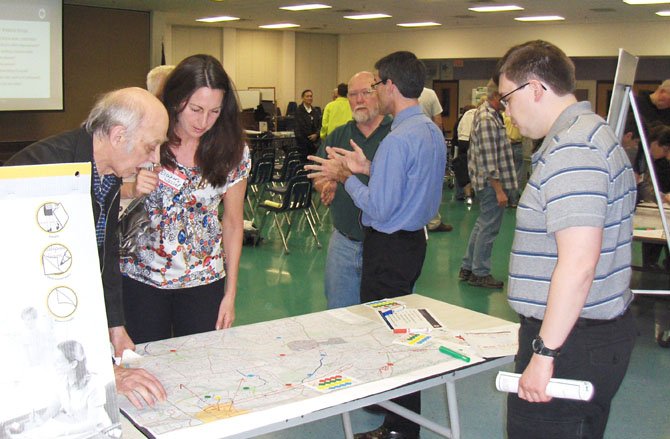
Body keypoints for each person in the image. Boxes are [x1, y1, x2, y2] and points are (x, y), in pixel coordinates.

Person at [499, 40, 637, 439]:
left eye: (508, 99)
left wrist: (544, 355)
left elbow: (578, 265)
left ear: (536, 90)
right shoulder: (591, 133)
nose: (507, 111)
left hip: (569, 342)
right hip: (577, 334)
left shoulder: (574, 149)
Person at [307, 50, 446, 439]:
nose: (372, 94)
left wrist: (345, 177)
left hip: (387, 247)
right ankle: (398, 421)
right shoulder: (430, 131)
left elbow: (380, 209)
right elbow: (412, 185)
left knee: (388, 337)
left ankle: (399, 428)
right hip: (413, 243)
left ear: (390, 86)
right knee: (398, 331)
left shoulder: (398, 139)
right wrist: (368, 169)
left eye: (377, 86)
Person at [6, 87, 169, 409]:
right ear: (119, 135)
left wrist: (115, 326)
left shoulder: (103, 174)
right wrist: (102, 369)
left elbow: (104, 257)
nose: (155, 159)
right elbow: (41, 292)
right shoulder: (44, 172)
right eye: (150, 147)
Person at [120, 54, 250, 345]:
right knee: (144, 364)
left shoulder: (233, 151)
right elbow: (105, 193)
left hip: (203, 282)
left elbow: (232, 223)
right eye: (195, 109)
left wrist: (230, 294)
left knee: (201, 367)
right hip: (142, 280)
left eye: (214, 111)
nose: (203, 121)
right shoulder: (148, 137)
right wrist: (131, 188)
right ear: (177, 99)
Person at [313, 71, 392, 309]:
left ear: (378, 94)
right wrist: (325, 184)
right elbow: (319, 173)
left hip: (386, 245)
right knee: (340, 315)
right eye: (353, 95)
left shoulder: (394, 135)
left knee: (386, 317)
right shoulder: (339, 136)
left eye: (366, 93)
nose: (359, 100)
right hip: (343, 243)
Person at [458, 80, 517, 289]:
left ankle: (468, 267)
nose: (508, 104)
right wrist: (499, 190)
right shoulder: (486, 119)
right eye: (506, 99)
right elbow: (490, 160)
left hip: (488, 183)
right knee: (489, 228)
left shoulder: (490, 115)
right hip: (490, 184)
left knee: (482, 224)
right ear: (496, 97)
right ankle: (480, 272)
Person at [419, 86, 453, 232]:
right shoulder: (430, 94)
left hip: (405, 142)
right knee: (431, 183)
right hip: (427, 142)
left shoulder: (398, 91)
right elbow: (438, 121)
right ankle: (433, 222)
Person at [452, 104, 477, 204]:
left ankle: (460, 194)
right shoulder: (477, 115)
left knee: (461, 169)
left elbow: (456, 135)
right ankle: (471, 193)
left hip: (461, 144)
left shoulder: (461, 120)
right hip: (472, 143)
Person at [504, 112, 524, 207]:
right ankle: (514, 201)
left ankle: (506, 200)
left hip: (506, 144)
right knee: (517, 174)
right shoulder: (521, 116)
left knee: (506, 173)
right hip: (518, 144)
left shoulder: (504, 115)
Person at [294, 89, 322, 155]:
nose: (309, 98)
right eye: (307, 96)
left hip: (315, 145)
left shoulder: (316, 111)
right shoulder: (298, 111)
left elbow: (320, 126)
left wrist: (316, 134)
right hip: (303, 146)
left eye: (311, 96)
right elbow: (297, 129)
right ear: (303, 98)